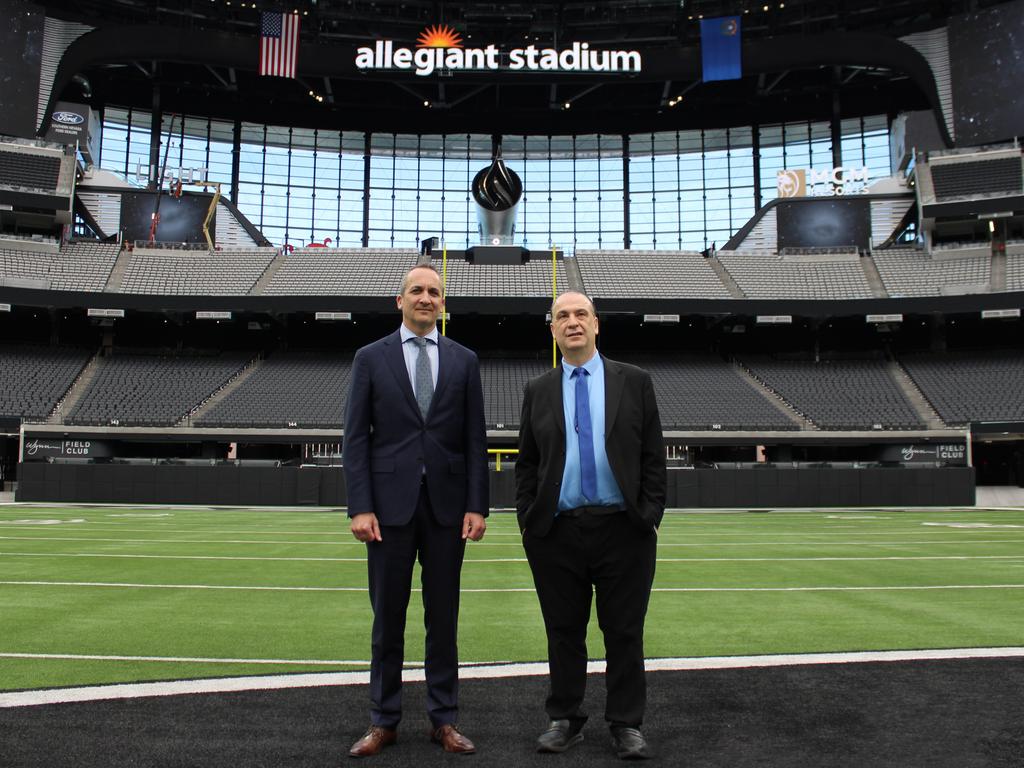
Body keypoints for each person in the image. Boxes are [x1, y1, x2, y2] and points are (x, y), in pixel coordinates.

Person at [344, 263, 489, 758]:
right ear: (399, 300)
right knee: (387, 619)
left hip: (448, 510)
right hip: (387, 510)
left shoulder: (465, 360)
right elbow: (355, 439)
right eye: (417, 291)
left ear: (443, 303)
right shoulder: (370, 357)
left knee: (443, 618)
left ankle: (443, 719)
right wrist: (360, 507)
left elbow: (474, 439)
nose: (426, 297)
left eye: (434, 291)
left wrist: (478, 506)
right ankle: (383, 720)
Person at [516, 290, 666, 760]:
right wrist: (529, 520)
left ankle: (626, 723)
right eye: (563, 316)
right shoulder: (538, 389)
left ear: (596, 324)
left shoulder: (634, 381)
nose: (572, 322)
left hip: (623, 527)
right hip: (558, 531)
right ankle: (565, 718)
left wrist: (648, 514)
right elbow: (527, 464)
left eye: (581, 314)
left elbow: (653, 456)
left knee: (624, 630)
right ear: (553, 328)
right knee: (563, 630)